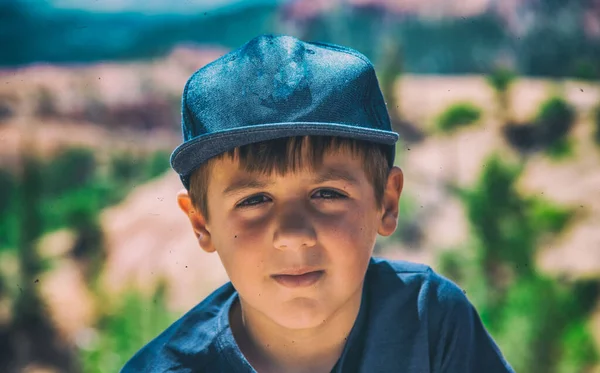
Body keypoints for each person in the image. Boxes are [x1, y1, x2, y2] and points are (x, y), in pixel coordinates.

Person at [120, 34, 514, 373]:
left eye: (327, 194)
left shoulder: (430, 320)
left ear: (387, 202)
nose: (294, 235)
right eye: (254, 199)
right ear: (201, 223)